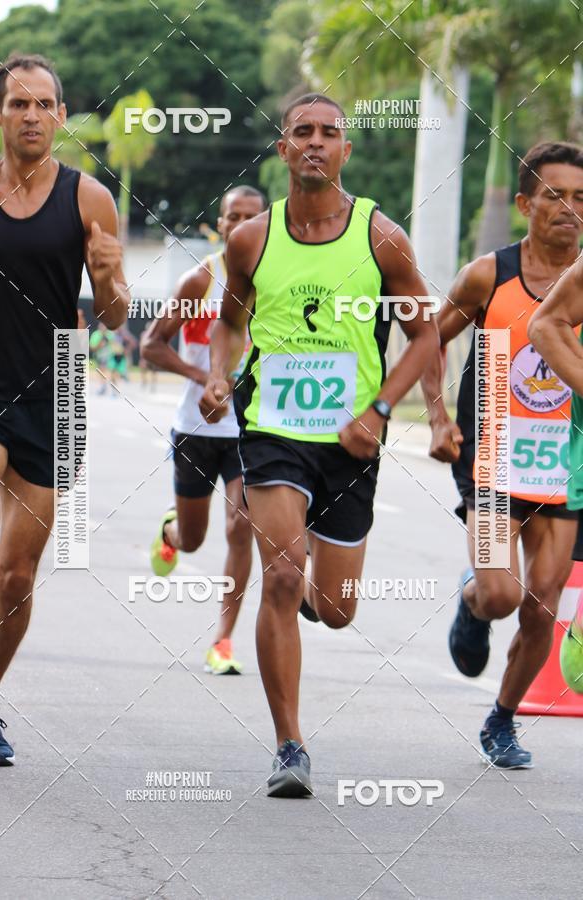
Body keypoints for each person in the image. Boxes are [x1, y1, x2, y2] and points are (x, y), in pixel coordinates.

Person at [200, 93, 438, 796]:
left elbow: (425, 333)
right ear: (281, 150)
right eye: (300, 132)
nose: (314, 143)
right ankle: (289, 746)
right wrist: (218, 375)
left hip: (350, 441)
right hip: (273, 428)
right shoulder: (250, 240)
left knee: (335, 609)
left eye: (328, 133)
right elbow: (228, 324)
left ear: (345, 151)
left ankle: (313, 592)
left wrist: (382, 409)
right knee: (278, 575)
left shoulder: (381, 237)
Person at [0, 54, 129, 765]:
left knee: (15, 575)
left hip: (59, 388)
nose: (32, 115)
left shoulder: (88, 199)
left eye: (44, 104)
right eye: (18, 104)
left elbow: (110, 313)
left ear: (62, 117)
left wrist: (106, 282)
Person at [422, 141, 583, 769]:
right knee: (502, 595)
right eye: (555, 195)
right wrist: (436, 416)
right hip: (491, 457)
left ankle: (503, 720)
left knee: (542, 605)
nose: (570, 208)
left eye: (581, 198)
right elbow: (429, 340)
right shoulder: (491, 275)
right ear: (524, 204)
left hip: (564, 465)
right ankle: (472, 599)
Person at [141, 186, 266, 674]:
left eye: (250, 217)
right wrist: (207, 378)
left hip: (250, 429)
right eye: (232, 216)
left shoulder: (277, 283)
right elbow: (152, 345)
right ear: (221, 223)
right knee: (194, 538)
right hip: (195, 427)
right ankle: (170, 531)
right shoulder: (201, 280)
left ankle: (224, 640)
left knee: (242, 526)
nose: (240, 224)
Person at [528, 253, 583, 562]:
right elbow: (545, 326)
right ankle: (476, 601)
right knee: (498, 589)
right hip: (498, 462)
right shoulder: (488, 273)